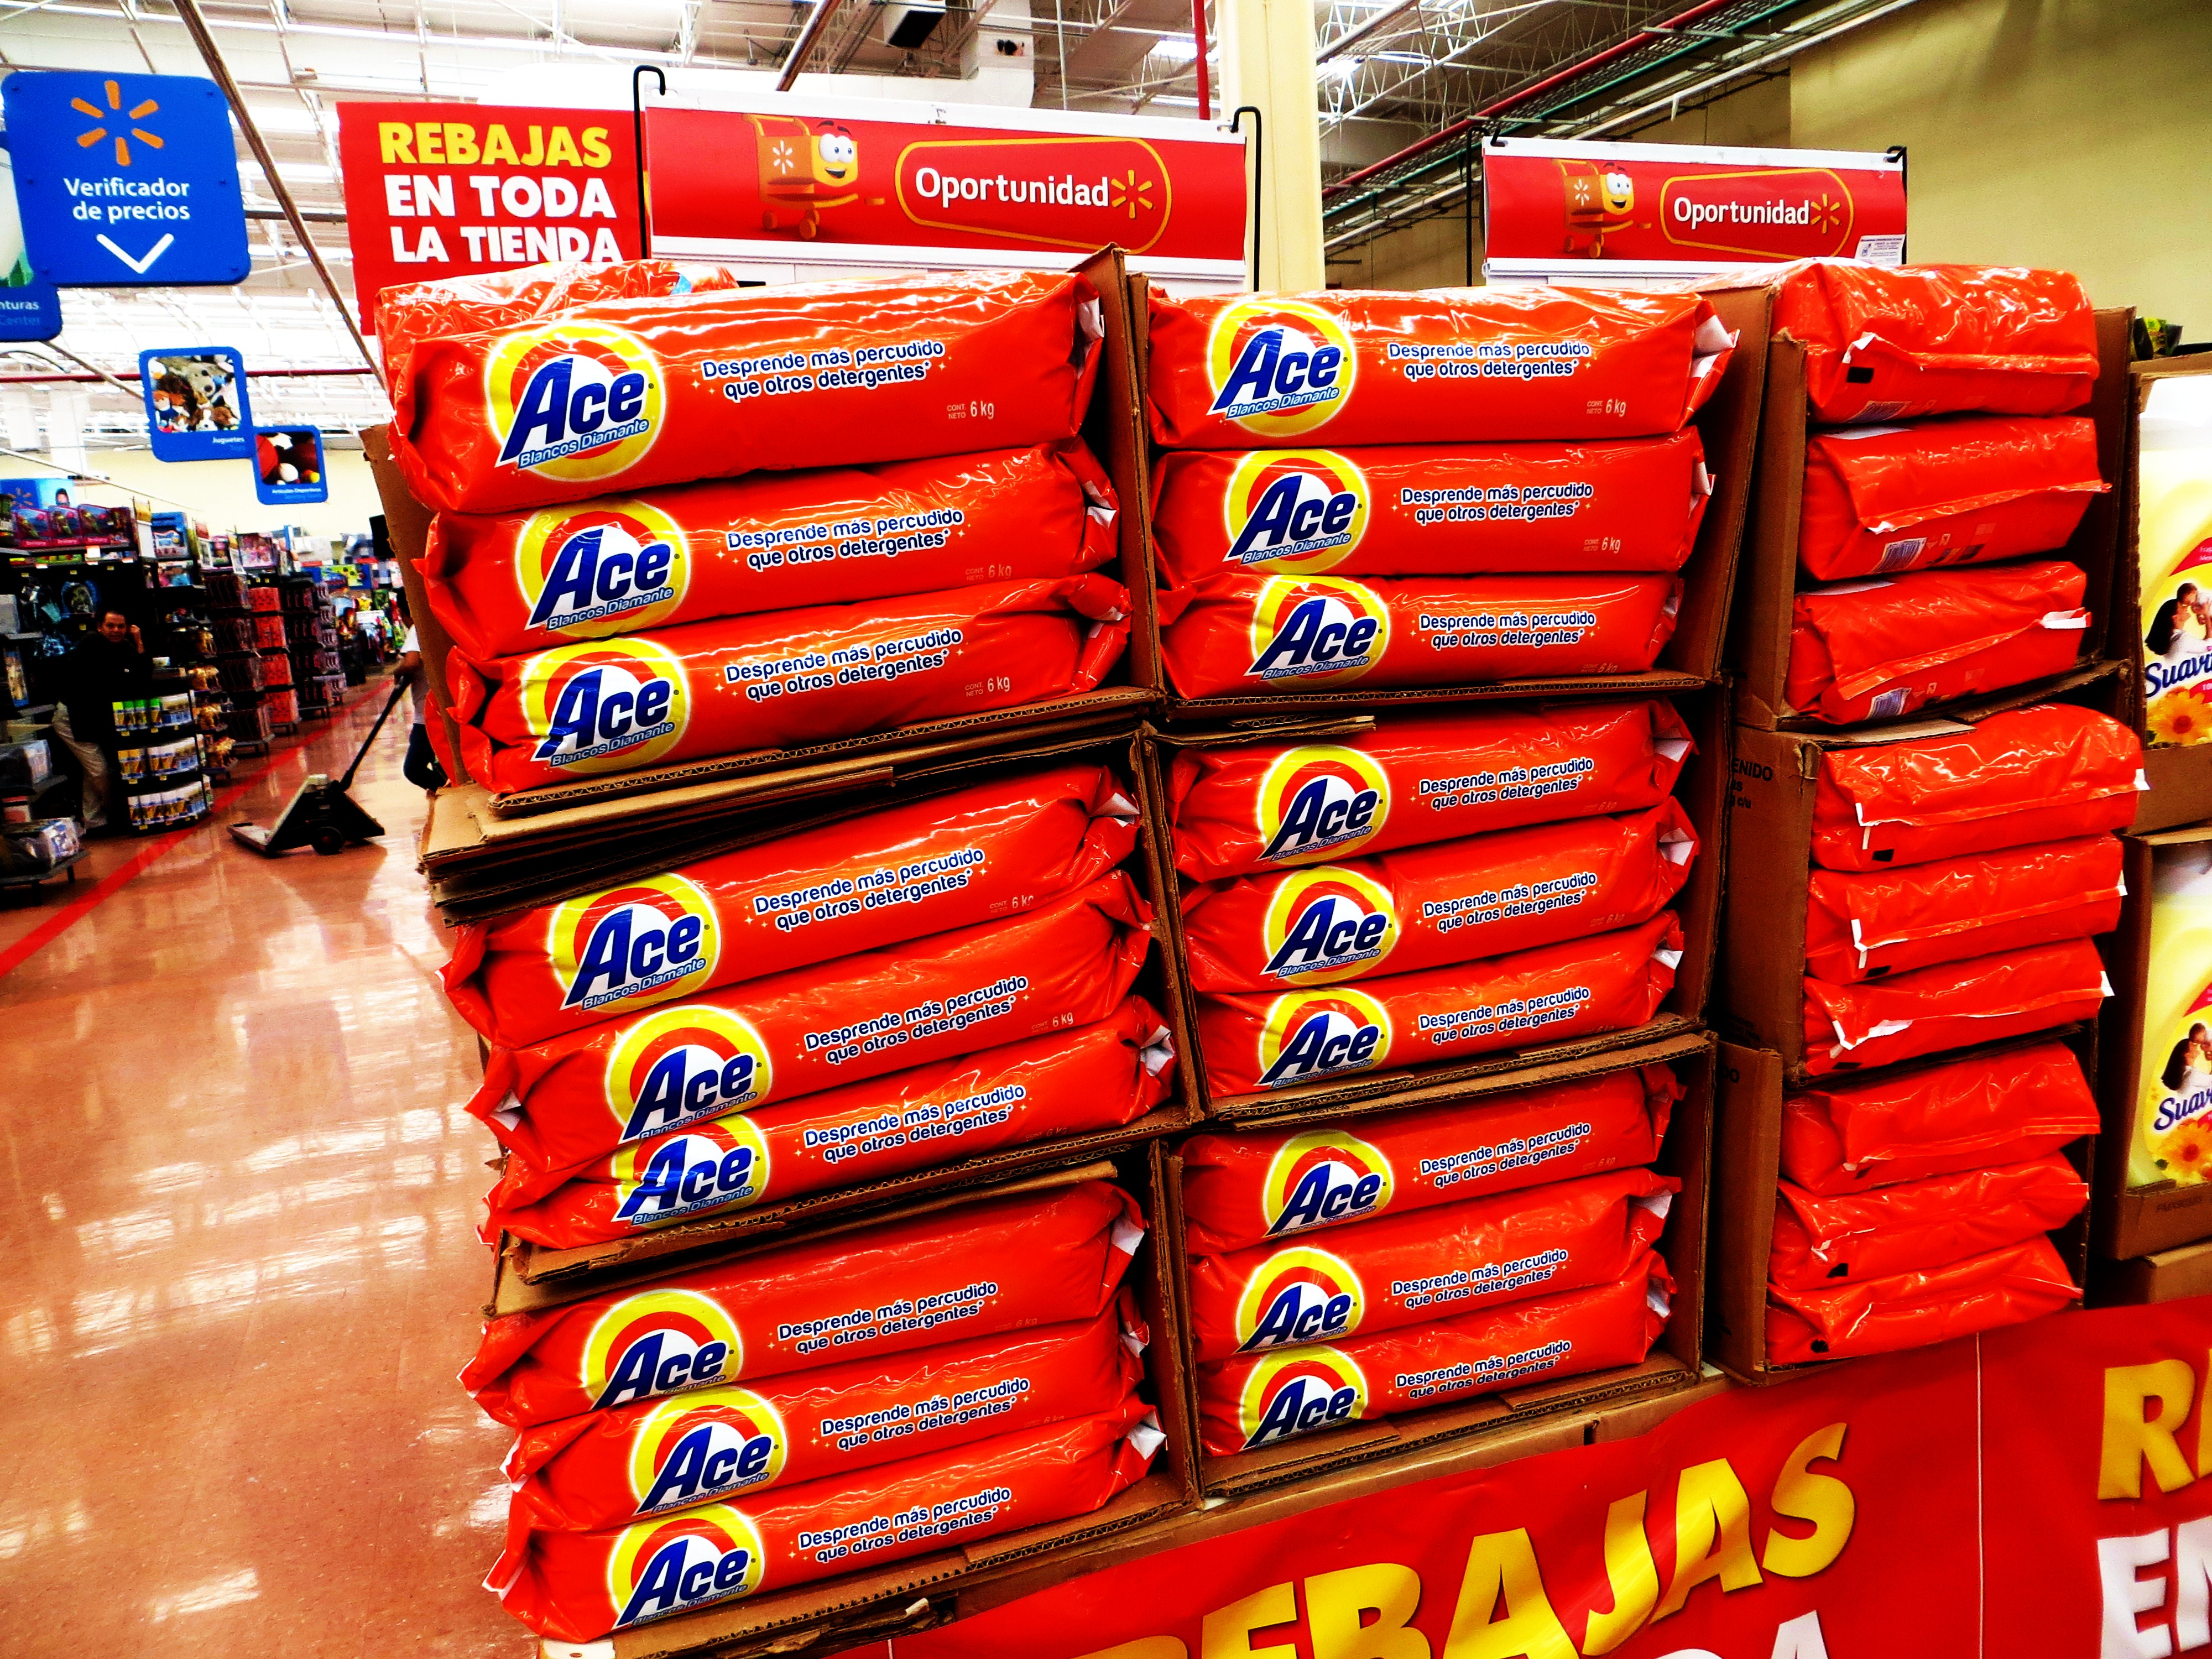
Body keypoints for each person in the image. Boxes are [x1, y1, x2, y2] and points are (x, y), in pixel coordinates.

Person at [50, 607, 149, 832]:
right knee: (99, 770)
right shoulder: (92, 642)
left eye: (121, 626)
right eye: (110, 626)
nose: (116, 630)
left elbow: (143, 673)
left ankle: (94, 821)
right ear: (100, 627)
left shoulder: (122, 646)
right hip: (71, 719)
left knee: (92, 770)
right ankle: (115, 815)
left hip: (90, 719)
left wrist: (138, 640)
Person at [395, 611, 446, 793]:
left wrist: (397, 672)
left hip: (428, 715)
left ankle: (447, 793)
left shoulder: (418, 628)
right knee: (443, 763)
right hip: (441, 709)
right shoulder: (441, 624)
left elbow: (411, 663)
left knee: (414, 769)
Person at [2163, 1022, 2211, 1093]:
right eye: (2193, 1045)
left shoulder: (2185, 1075)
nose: (2197, 1045)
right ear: (2186, 1055)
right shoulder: (2193, 1075)